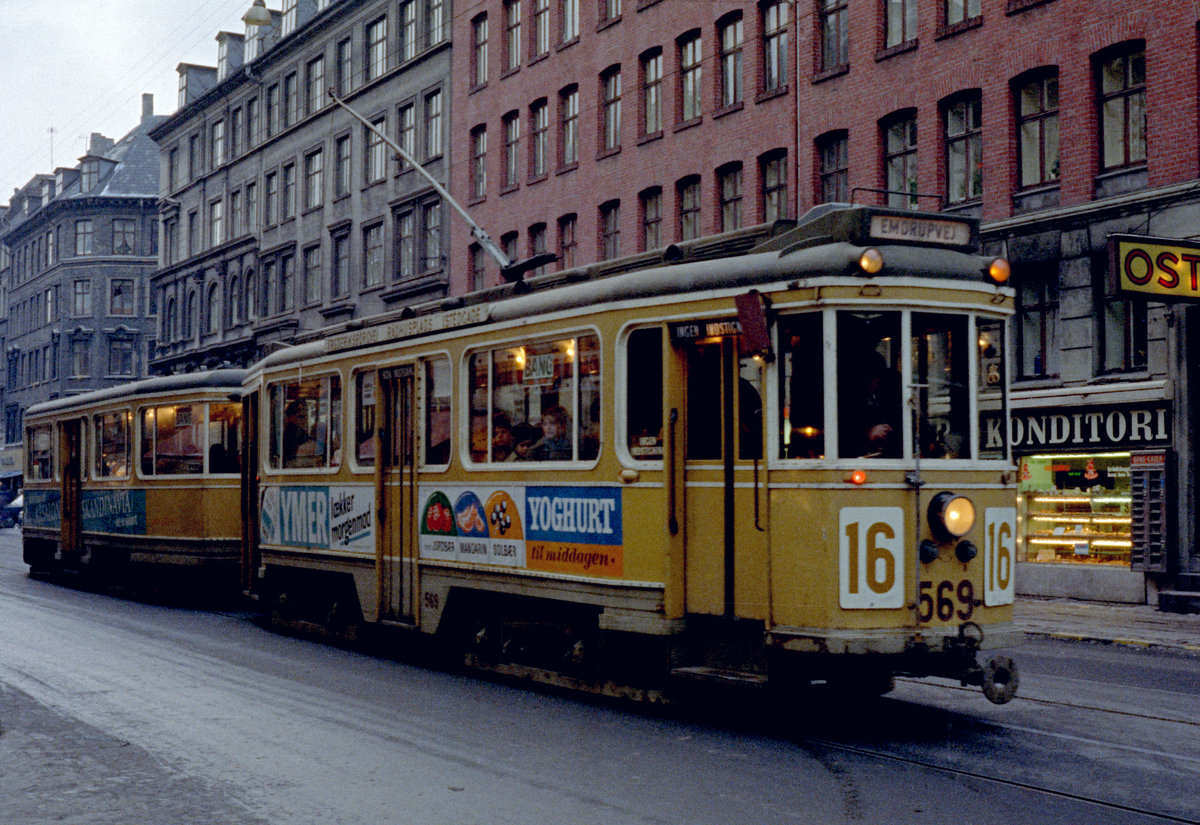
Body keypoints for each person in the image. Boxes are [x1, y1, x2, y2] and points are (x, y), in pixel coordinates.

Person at [843, 351, 902, 458]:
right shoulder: (846, 404)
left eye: (876, 377)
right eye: (869, 376)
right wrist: (868, 434)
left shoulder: (888, 400)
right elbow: (842, 435)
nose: (874, 381)